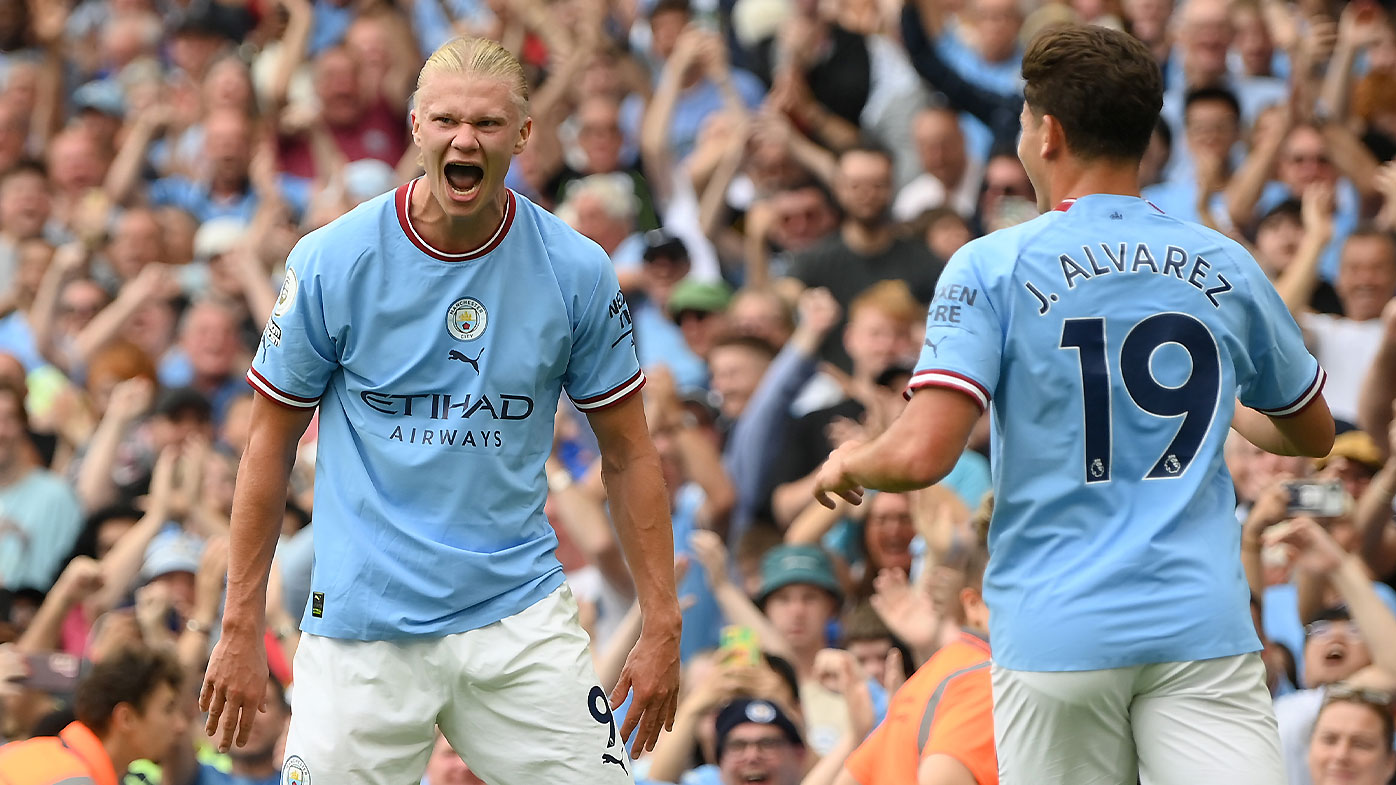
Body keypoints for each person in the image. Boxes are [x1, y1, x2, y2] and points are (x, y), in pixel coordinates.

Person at [811, 24, 1336, 785]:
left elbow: (923, 452)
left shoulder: (993, 261)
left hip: (1058, 630)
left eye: (1024, 122)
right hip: (1201, 624)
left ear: (1047, 131)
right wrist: (1222, 400)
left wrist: (852, 458)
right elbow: (1309, 428)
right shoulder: (1225, 259)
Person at [200, 37, 681, 785]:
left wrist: (663, 621)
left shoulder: (576, 268)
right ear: (417, 127)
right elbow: (267, 445)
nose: (465, 140)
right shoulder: (334, 259)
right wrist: (238, 626)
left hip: (516, 614)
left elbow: (628, 452)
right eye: (448, 121)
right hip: (363, 623)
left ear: (524, 136)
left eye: (488, 125)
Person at [0, 646, 187, 784]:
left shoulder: (22, 752)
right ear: (126, 718)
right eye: (168, 709)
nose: (180, 725)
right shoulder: (73, 780)